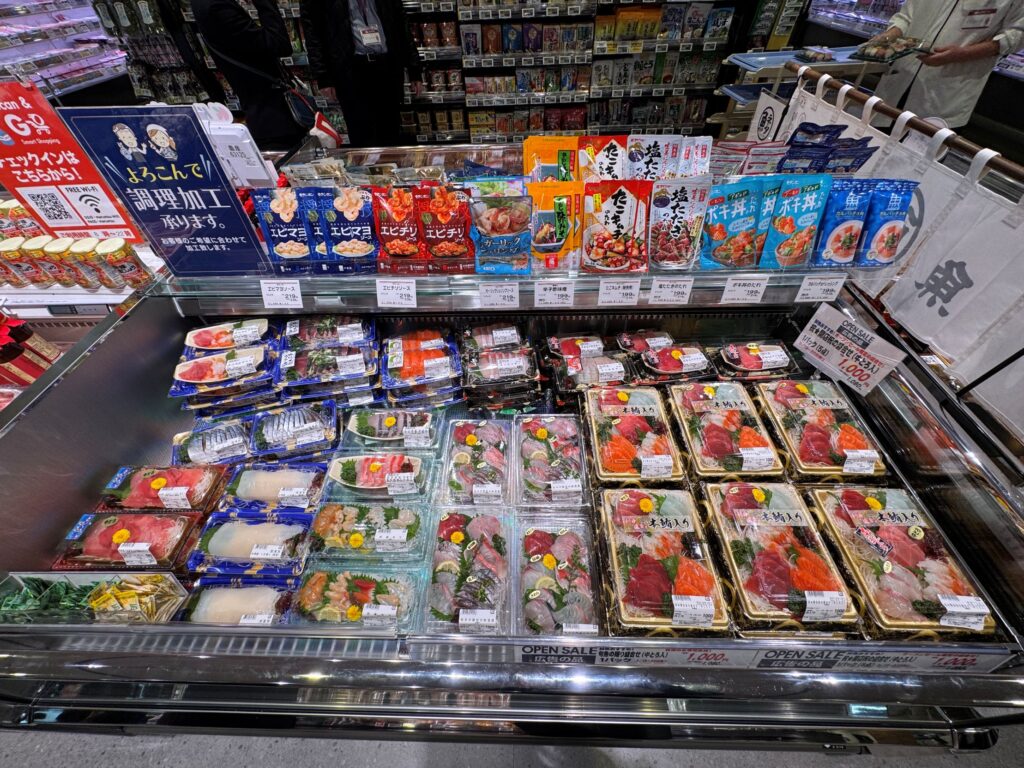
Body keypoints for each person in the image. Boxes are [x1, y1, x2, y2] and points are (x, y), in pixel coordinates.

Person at [871, 0, 1024, 128]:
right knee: (870, 145)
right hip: (898, 79)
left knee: (918, 151)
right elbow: (906, 15)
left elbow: (1016, 35)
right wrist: (889, 35)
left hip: (946, 93)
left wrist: (963, 54)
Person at [193, 0, 309, 150]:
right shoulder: (217, 7)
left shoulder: (205, 4)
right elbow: (279, 44)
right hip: (271, 118)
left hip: (265, 115)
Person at [300, 0, 416, 146]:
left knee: (390, 134)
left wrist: (414, 68)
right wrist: (323, 77)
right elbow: (312, 33)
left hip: (386, 66)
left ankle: (389, 160)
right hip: (350, 70)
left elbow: (401, 23)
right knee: (361, 136)